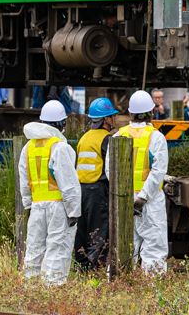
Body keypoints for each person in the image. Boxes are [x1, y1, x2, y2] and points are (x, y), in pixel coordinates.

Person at [18, 100, 82, 285]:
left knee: (34, 250)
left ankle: (30, 292)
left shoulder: (28, 147)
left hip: (37, 207)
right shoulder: (60, 147)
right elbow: (69, 184)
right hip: (58, 207)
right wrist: (73, 212)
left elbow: (24, 182)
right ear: (62, 123)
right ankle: (51, 295)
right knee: (58, 249)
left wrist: (29, 205)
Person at [107, 90, 169, 274]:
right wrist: (142, 198)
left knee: (124, 244)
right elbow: (158, 171)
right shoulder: (156, 137)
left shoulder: (118, 135)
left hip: (124, 198)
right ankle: (151, 290)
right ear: (151, 112)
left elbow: (110, 171)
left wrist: (122, 194)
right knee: (154, 246)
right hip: (149, 201)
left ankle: (118, 283)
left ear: (130, 114)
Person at [74, 96, 118, 270]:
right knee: (98, 231)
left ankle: (81, 266)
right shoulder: (107, 139)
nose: (114, 119)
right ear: (106, 119)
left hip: (81, 191)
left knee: (82, 231)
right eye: (112, 116)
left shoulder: (84, 138)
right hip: (98, 191)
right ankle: (94, 269)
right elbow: (110, 170)